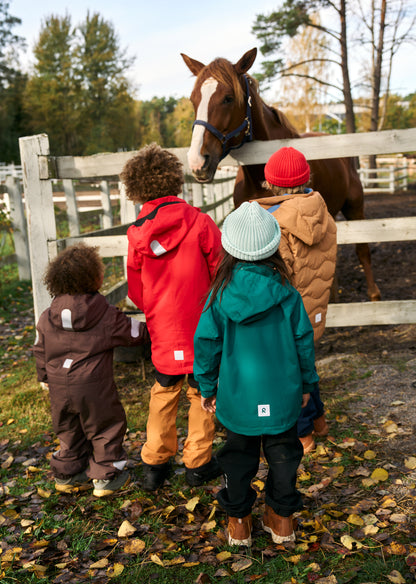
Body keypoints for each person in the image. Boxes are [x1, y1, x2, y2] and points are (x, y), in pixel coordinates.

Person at [193, 201, 318, 547]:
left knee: (237, 458)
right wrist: (308, 384)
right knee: (284, 456)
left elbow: (206, 343)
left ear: (229, 249)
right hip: (280, 396)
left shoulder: (218, 296)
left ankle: (239, 524)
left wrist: (206, 386)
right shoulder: (287, 295)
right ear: (273, 247)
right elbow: (303, 342)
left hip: (237, 397)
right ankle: (281, 522)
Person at [120, 143, 222, 491]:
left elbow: (136, 290)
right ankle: (197, 462)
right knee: (201, 391)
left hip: (163, 327)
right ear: (174, 179)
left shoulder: (138, 234)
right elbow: (220, 272)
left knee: (164, 390)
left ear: (135, 187)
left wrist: (157, 309)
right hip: (201, 325)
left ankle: (155, 463)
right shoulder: (201, 223)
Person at [33, 243, 148, 497]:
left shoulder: (46, 316)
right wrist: (149, 329)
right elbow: (135, 333)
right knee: (105, 427)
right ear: (94, 277)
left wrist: (45, 377)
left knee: (69, 429)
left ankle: (68, 475)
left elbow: (40, 350)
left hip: (59, 387)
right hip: (94, 386)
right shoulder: (105, 314)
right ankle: (107, 477)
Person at [256, 146, 337, 454]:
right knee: (306, 367)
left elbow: (280, 272)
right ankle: (320, 421)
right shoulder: (321, 212)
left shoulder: (274, 221)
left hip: (286, 315)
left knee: (288, 376)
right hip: (313, 309)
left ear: (270, 181)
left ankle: (303, 436)